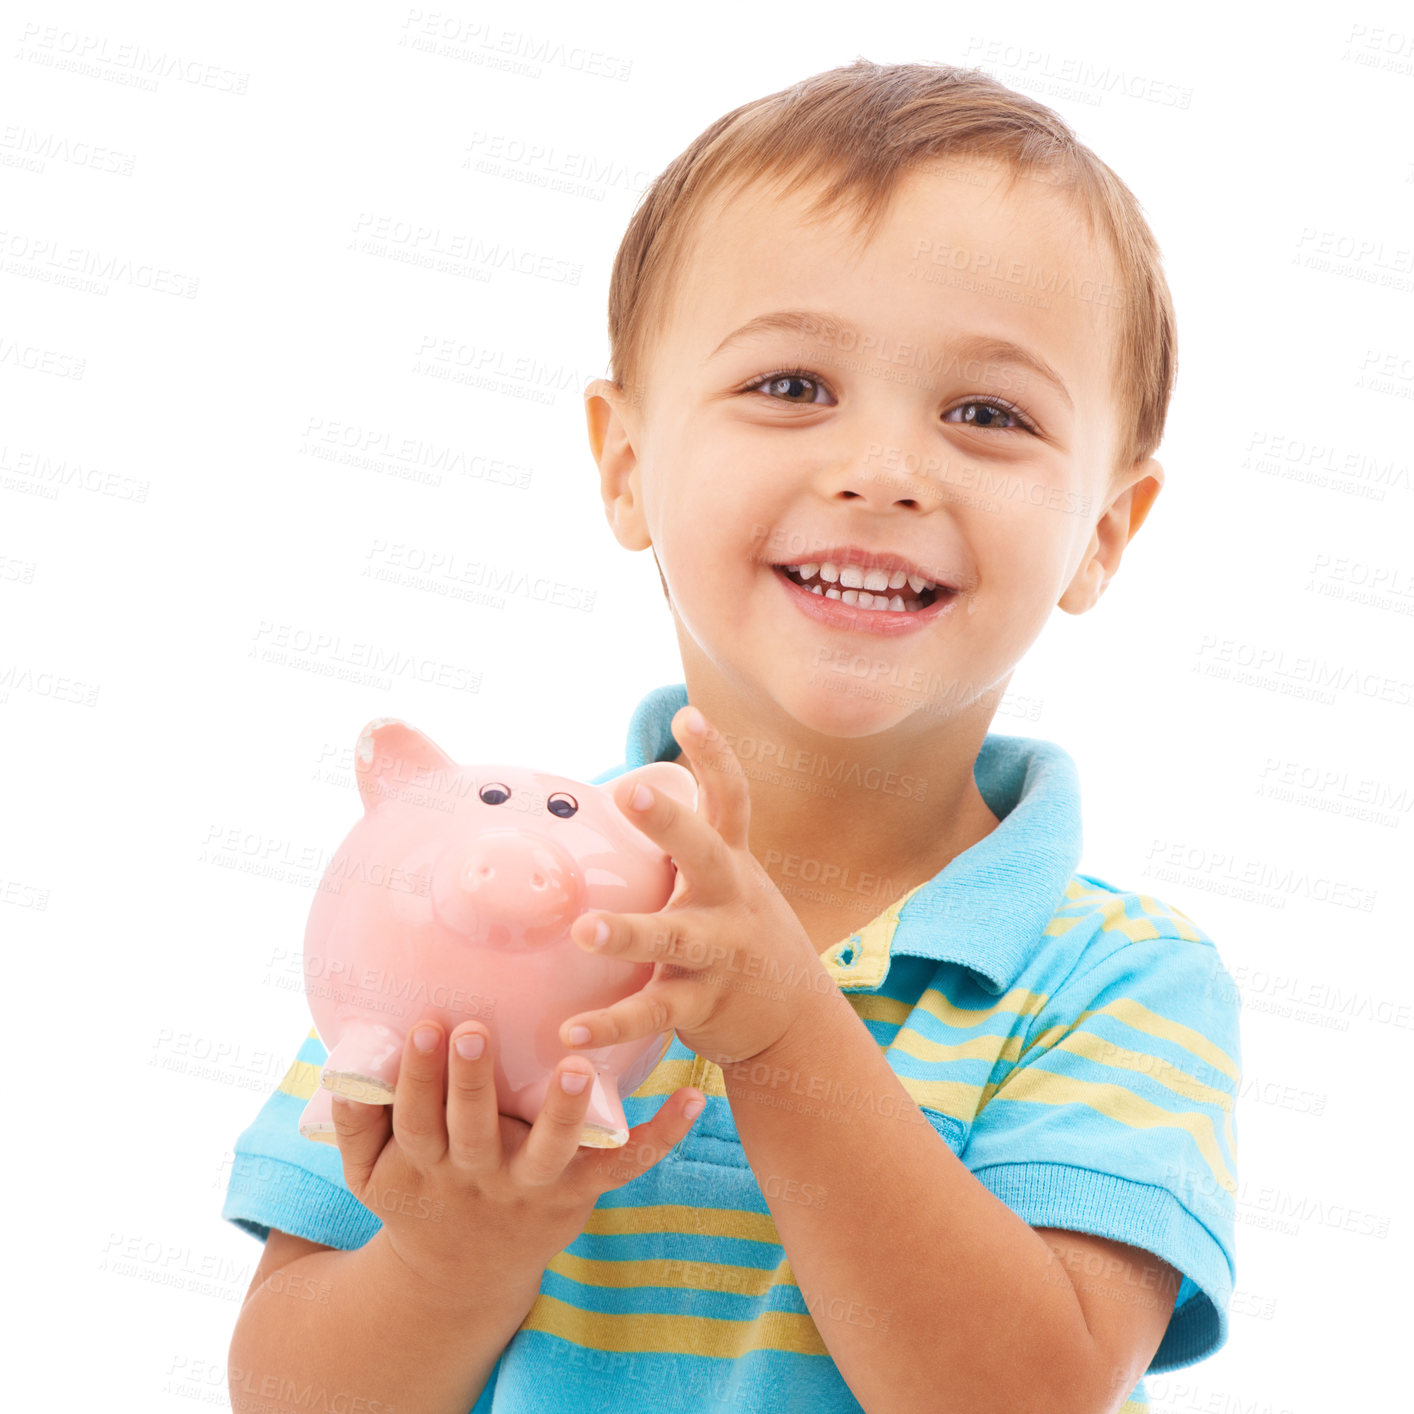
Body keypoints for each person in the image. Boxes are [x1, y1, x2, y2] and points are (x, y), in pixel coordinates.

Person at [223, 59, 1241, 1414]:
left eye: (985, 414)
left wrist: (779, 1025)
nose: (881, 468)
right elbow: (286, 1395)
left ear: (1103, 531)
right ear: (625, 463)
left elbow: (1023, 1396)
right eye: (790, 383)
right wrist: (454, 1255)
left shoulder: (1114, 982)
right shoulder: (467, 896)